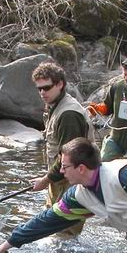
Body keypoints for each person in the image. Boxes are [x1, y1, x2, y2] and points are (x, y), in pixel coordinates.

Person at [28, 62, 91, 234]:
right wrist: (48, 179)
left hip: (73, 181)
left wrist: (44, 180)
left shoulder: (69, 115)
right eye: (39, 89)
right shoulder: (55, 105)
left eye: (46, 88)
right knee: (51, 226)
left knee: (65, 233)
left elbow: (69, 158)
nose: (42, 92)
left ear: (60, 84)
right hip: (60, 179)